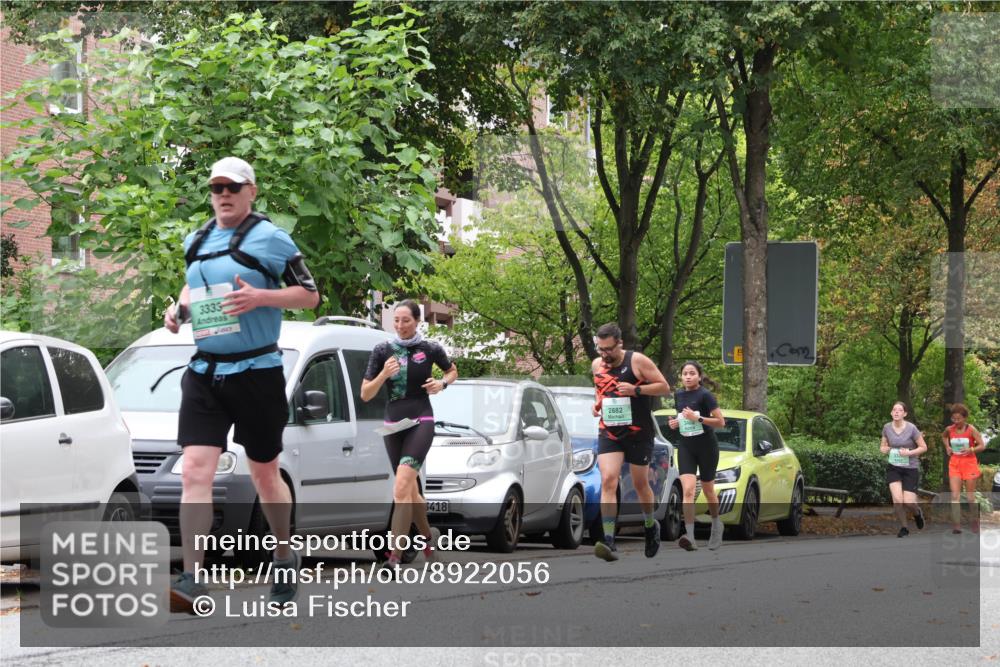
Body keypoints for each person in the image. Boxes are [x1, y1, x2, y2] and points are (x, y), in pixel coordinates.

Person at [165, 157, 320, 613]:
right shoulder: (196, 240)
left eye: (232, 187)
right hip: (205, 372)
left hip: (257, 371)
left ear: (252, 190)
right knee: (194, 471)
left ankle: (284, 556)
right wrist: (179, 310)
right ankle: (192, 577)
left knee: (264, 474)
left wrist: (260, 297)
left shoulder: (271, 238)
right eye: (217, 188)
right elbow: (193, 288)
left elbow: (310, 295)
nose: (224, 195)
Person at [361, 300, 457, 568]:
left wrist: (442, 383)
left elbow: (451, 371)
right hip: (393, 425)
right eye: (396, 320)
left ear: (417, 322)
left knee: (402, 486)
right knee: (410, 492)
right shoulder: (382, 350)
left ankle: (394, 557)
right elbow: (366, 394)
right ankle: (428, 542)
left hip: (421, 419)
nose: (400, 326)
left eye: (406, 321)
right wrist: (383, 374)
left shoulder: (430, 348)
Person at [590, 323, 671, 562]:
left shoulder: (637, 361)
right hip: (610, 431)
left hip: (638, 432)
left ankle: (650, 525)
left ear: (620, 343)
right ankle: (608, 539)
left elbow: (664, 387)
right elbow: (599, 389)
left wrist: (636, 391)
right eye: (601, 349)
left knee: (640, 484)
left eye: (609, 349)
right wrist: (597, 404)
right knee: (608, 480)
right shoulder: (596, 364)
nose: (605, 354)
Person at [667, 361, 726, 551]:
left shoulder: (705, 395)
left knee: (708, 490)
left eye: (692, 373)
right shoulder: (678, 394)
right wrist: (675, 423)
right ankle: (690, 536)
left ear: (699, 376)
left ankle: (716, 525)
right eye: (685, 373)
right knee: (688, 491)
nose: (688, 376)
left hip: (707, 446)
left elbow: (721, 422)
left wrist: (698, 418)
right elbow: (682, 417)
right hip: (686, 446)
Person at [879, 401, 928, 537]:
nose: (896, 412)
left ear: (904, 414)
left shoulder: (911, 428)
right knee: (897, 500)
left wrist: (909, 453)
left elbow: (924, 447)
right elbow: (882, 446)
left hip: (910, 468)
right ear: (891, 413)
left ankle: (917, 513)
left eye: (899, 410)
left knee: (909, 502)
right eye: (894, 410)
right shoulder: (887, 427)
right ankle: (904, 527)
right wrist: (885, 449)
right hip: (894, 467)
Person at [942, 403, 987, 534]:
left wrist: (971, 449)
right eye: (954, 419)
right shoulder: (949, 429)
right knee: (955, 495)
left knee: (970, 497)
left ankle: (975, 521)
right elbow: (944, 436)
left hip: (969, 463)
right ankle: (957, 525)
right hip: (955, 463)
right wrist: (947, 447)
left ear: (965, 418)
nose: (956, 421)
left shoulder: (971, 429)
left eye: (959, 419)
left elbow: (982, 445)